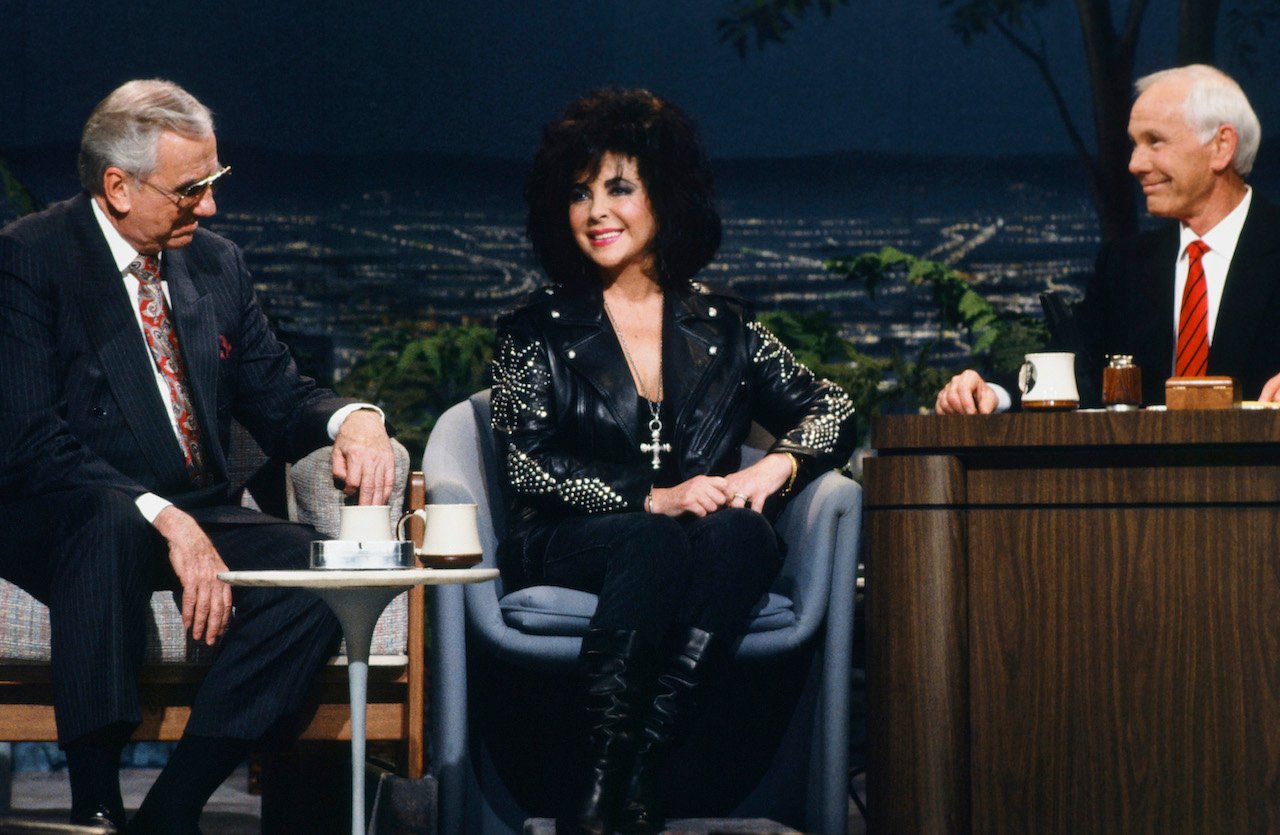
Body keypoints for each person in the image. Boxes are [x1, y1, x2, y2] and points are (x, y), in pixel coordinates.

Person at [0, 79, 396, 832]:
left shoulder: (215, 264)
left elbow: (279, 396)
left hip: (194, 506)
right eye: (190, 190)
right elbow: (28, 439)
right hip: (59, 508)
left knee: (314, 576)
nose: (209, 207)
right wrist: (166, 521)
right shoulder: (29, 261)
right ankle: (94, 803)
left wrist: (359, 418)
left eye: (214, 184)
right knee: (108, 521)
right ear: (117, 187)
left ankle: (174, 808)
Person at [490, 88, 857, 834]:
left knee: (745, 531)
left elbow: (836, 409)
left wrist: (771, 469)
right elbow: (527, 468)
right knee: (652, 534)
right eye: (580, 193)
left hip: (693, 543)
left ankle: (637, 764)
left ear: (666, 197)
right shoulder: (532, 330)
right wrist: (649, 498)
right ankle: (603, 780)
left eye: (619, 187)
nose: (597, 210)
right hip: (572, 539)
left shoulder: (724, 327)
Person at [936, 64, 1280, 413]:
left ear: (1221, 146)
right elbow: (1075, 369)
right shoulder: (1126, 265)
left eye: (1154, 141)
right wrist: (992, 393)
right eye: (1134, 144)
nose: (1135, 164)